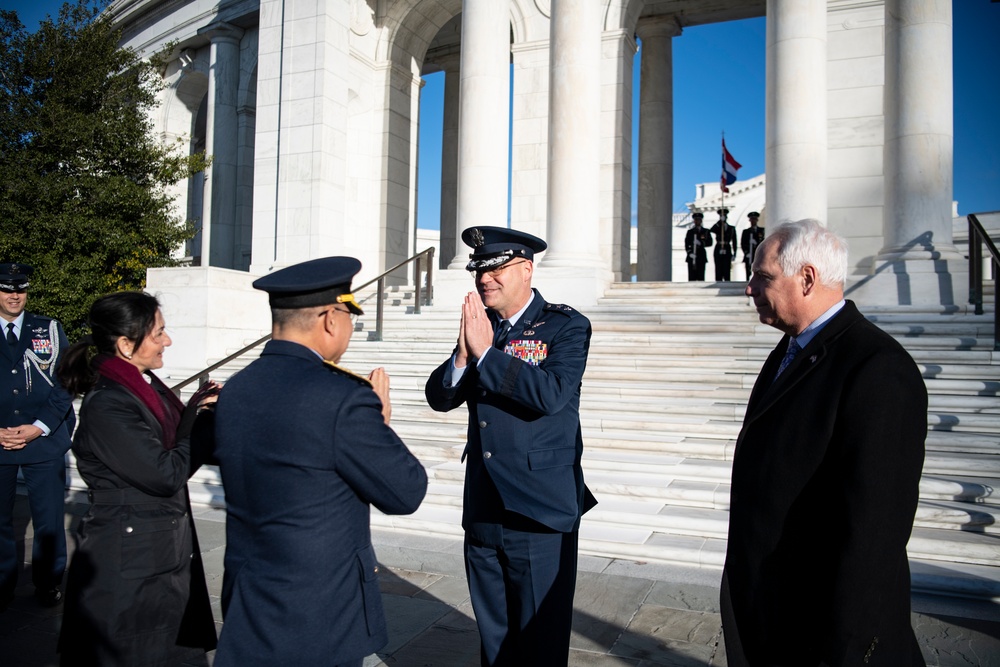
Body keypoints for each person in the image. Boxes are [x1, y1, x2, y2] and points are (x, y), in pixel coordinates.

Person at [721, 220, 927, 666]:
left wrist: (844, 649)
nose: (749, 288)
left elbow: (873, 533)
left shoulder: (879, 369)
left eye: (763, 276)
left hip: (820, 633)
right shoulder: (790, 348)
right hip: (775, 612)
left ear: (807, 278)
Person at [213, 256, 427, 667]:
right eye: (349, 315)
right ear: (331, 318)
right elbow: (406, 491)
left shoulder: (237, 389)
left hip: (248, 597)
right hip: (318, 616)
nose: (350, 326)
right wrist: (379, 422)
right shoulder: (342, 397)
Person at [425, 226, 597, 666]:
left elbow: (552, 393)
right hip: (484, 506)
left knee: (540, 641)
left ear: (525, 268)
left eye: (497, 268)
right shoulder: (483, 328)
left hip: (538, 511)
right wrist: (464, 356)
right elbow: (440, 398)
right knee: (495, 637)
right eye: (479, 271)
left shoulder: (565, 325)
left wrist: (485, 355)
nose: (485, 279)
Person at [57, 291, 219, 666]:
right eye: (158, 333)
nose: (168, 341)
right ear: (126, 345)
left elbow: (180, 439)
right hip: (129, 565)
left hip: (157, 555)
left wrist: (200, 410)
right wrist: (202, 420)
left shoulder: (146, 387)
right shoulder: (109, 404)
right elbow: (166, 473)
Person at [0, 263, 75, 612]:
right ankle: (2, 584)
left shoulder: (50, 328)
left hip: (43, 440)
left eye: (20, 288)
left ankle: (48, 582)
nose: (14, 295)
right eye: (6, 288)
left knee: (47, 519)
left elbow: (66, 383)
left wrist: (39, 426)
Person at [684, 212, 713, 281]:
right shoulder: (690, 232)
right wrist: (689, 253)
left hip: (701, 256)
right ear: (694, 221)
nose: (697, 221)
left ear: (701, 220)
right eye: (696, 220)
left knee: (701, 276)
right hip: (692, 256)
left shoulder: (706, 231)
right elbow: (686, 244)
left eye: (699, 219)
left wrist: (701, 243)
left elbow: (710, 242)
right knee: (692, 276)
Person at [711, 208, 737, 281]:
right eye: (721, 216)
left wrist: (734, 253)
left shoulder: (731, 228)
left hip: (727, 247)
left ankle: (727, 282)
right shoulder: (717, 226)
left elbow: (734, 241)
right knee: (718, 268)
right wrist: (719, 222)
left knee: (726, 268)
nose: (723, 217)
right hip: (719, 247)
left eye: (724, 216)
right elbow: (711, 229)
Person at [740, 211, 765, 280]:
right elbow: (743, 243)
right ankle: (748, 279)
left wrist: (756, 243)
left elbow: (763, 241)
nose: (753, 221)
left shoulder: (761, 230)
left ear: (757, 220)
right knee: (748, 270)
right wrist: (746, 252)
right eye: (751, 220)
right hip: (749, 253)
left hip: (757, 253)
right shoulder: (746, 231)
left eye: (754, 219)